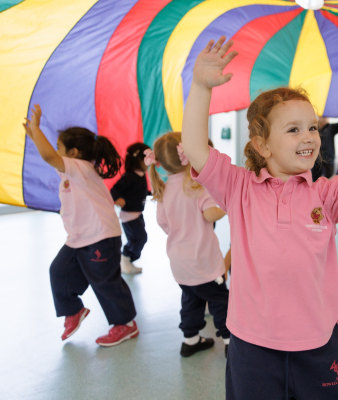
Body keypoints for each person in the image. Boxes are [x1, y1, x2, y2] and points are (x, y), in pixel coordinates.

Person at [181, 36, 338, 399]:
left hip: (318, 342)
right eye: (293, 129)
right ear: (262, 145)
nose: (309, 136)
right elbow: (197, 148)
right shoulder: (238, 187)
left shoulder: (327, 193)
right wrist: (200, 87)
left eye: (311, 127)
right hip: (252, 345)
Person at [23, 105, 138, 347]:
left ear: (73, 153)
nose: (56, 153)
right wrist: (34, 135)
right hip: (80, 237)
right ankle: (73, 311)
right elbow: (49, 156)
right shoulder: (74, 169)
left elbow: (48, 156)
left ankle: (125, 324)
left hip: (100, 237)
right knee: (59, 271)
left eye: (60, 149)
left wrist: (36, 128)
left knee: (105, 281)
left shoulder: (78, 167)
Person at [147, 131, 231, 357]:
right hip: (203, 262)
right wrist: (226, 202)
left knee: (191, 299)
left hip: (179, 263)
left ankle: (191, 340)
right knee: (221, 301)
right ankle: (229, 342)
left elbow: (163, 223)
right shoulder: (196, 185)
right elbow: (211, 215)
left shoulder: (164, 190)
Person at [111, 142, 151, 275]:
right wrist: (118, 199)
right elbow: (114, 190)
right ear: (138, 160)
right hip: (129, 215)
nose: (149, 162)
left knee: (140, 238)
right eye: (146, 159)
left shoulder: (141, 174)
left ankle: (127, 260)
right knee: (139, 238)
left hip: (137, 213)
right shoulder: (129, 176)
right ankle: (125, 258)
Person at [311, 115, 338, 181]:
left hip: (329, 159)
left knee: (329, 178)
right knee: (314, 179)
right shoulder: (315, 130)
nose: (323, 118)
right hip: (317, 159)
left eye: (325, 117)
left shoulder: (331, 127)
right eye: (321, 117)